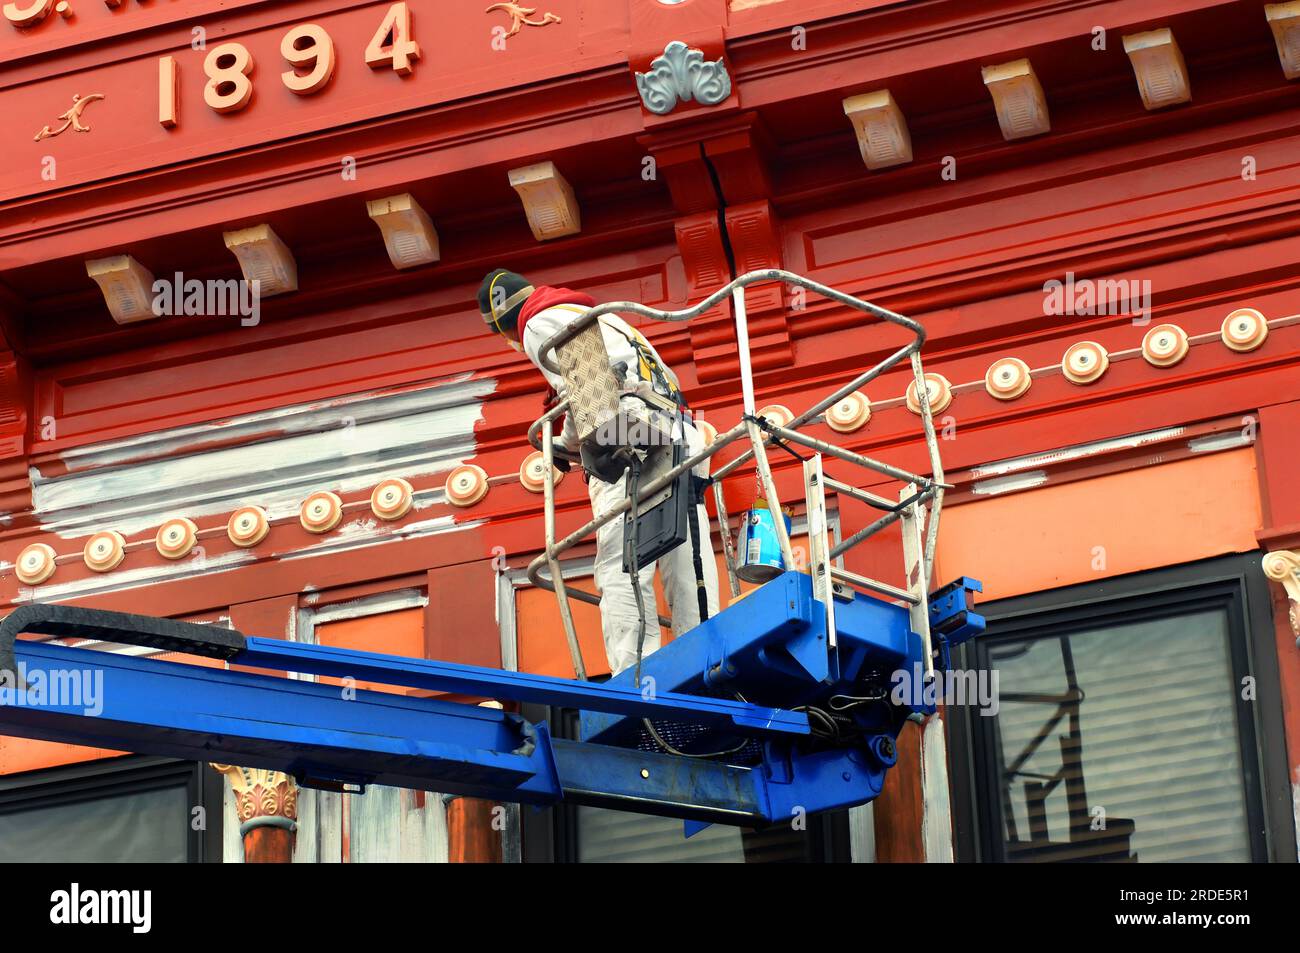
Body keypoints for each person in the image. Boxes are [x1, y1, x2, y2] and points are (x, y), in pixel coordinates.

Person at [477, 268, 720, 676]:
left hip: (629, 439)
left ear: (504, 325)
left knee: (622, 561)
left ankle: (637, 675)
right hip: (678, 428)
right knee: (687, 551)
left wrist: (565, 445)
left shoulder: (537, 322)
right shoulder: (602, 316)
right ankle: (704, 657)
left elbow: (591, 393)